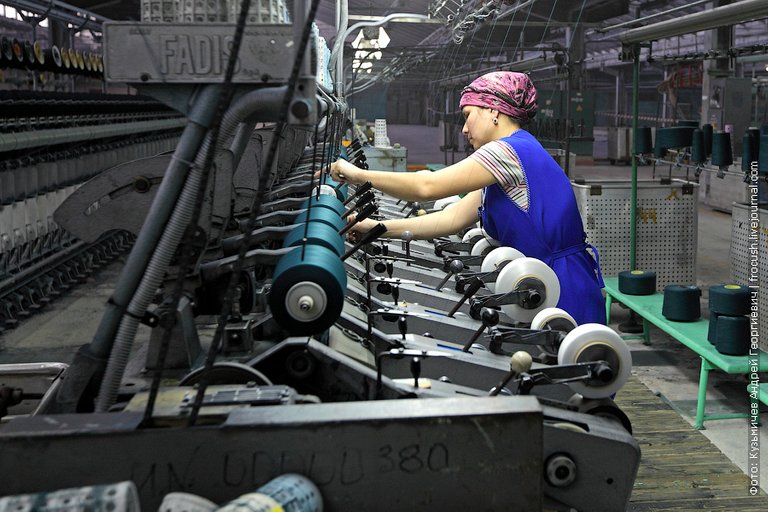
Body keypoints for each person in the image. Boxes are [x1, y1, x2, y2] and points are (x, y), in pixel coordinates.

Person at [326, 71, 605, 325]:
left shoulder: (506, 152)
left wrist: (356, 174)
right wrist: (377, 229)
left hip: (564, 292)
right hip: (539, 286)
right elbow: (453, 218)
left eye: (468, 114)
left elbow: (427, 186)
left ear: (493, 111)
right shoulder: (515, 152)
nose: (464, 129)